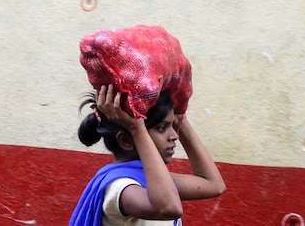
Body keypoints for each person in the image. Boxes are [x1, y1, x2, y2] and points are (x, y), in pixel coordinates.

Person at [69, 85, 226, 225]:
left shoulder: (152, 180)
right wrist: (137, 129)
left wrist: (181, 118)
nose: (174, 135)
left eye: (173, 126)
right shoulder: (120, 187)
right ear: (125, 140)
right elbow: (168, 208)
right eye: (162, 127)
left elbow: (214, 185)